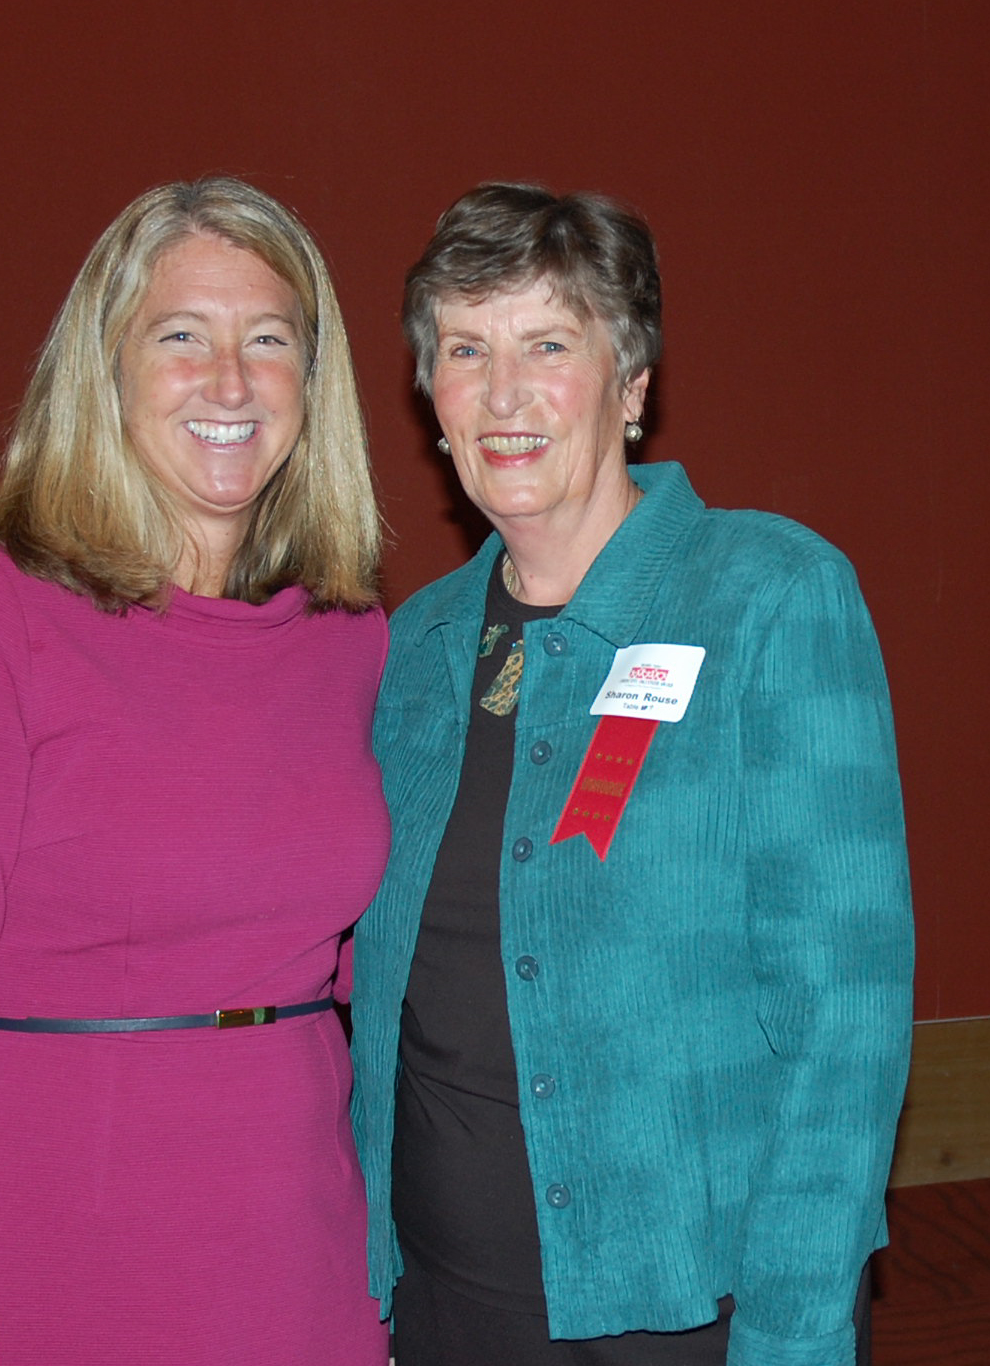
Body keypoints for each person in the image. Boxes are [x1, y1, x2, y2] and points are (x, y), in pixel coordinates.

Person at [350, 183, 913, 1366]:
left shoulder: (770, 596)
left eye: (548, 344)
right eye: (465, 350)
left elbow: (846, 1022)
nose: (503, 393)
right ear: (431, 400)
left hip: (685, 1310)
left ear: (634, 383)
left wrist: (796, 1332)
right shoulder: (416, 648)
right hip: (449, 1300)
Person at [0, 177, 391, 1366]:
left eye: (269, 340)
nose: (230, 382)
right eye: (180, 335)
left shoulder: (349, 641)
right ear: (107, 368)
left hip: (301, 1269)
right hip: (58, 1272)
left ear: (316, 379)